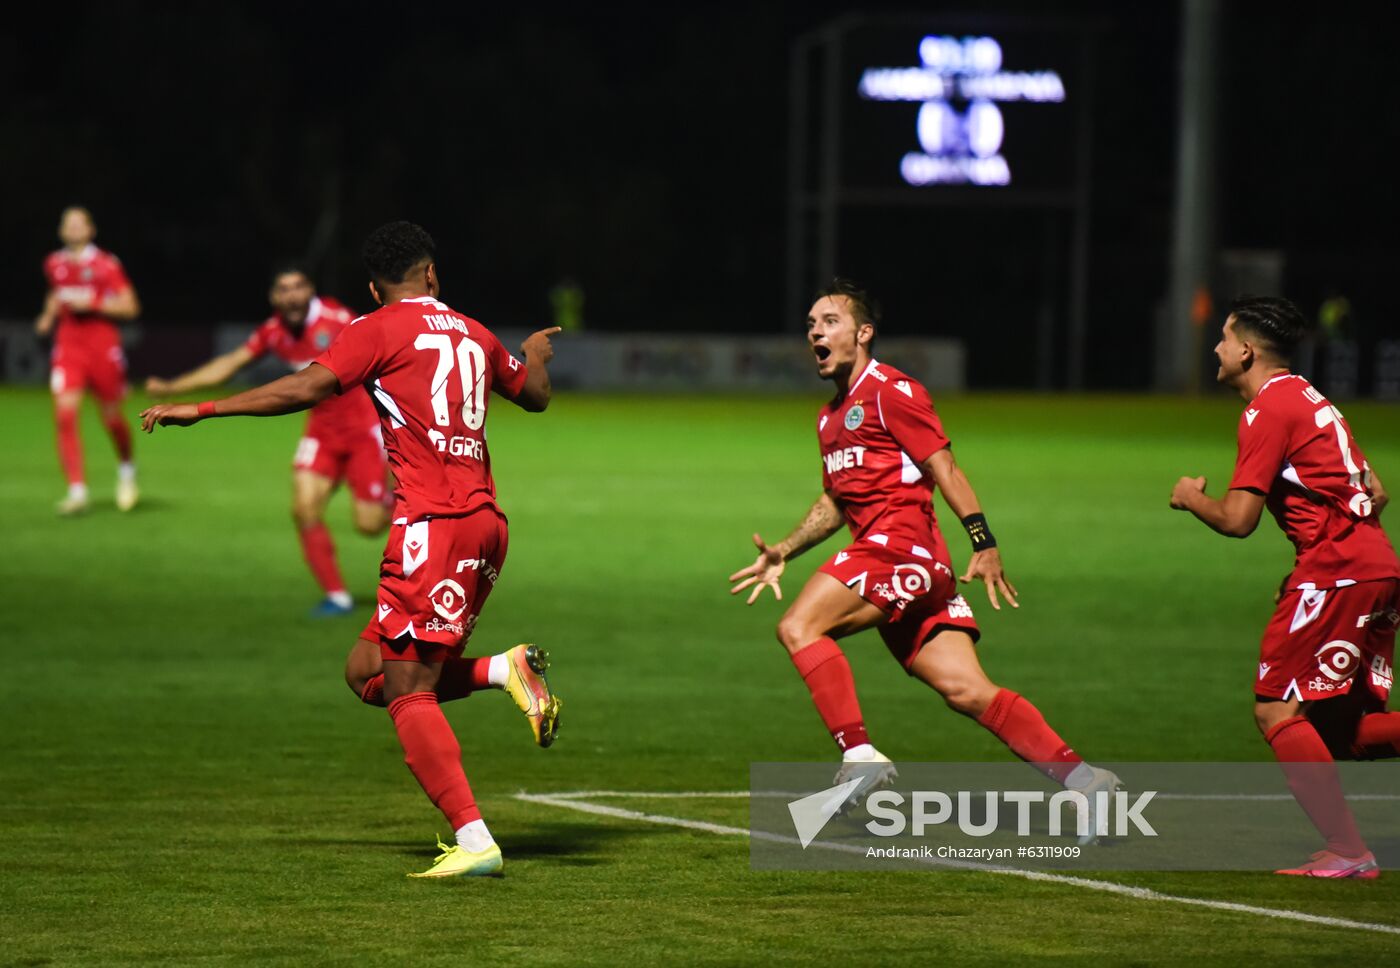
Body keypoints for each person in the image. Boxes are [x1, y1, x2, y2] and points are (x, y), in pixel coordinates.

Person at [140, 221, 564, 878]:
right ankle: (501, 672)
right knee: (366, 671)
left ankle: (475, 840)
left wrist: (206, 411)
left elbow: (305, 388)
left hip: (434, 523)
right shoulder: (474, 331)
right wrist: (533, 352)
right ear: (433, 275)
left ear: (373, 286)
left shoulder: (375, 327)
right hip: (484, 525)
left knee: (406, 688)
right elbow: (534, 396)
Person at [729, 279, 1118, 839]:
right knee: (968, 691)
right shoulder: (829, 417)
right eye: (811, 322)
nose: (815, 330)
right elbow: (838, 501)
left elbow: (946, 469)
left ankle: (860, 757)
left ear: (864, 333)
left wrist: (983, 542)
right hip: (899, 565)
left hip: (900, 552)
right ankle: (1086, 782)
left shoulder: (892, 391)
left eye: (829, 320)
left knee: (799, 626)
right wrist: (784, 550)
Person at [1171, 295, 1399, 879]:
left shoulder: (1267, 409)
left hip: (1340, 570)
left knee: (1276, 710)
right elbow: (1375, 489)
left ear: (1246, 350)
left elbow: (1238, 520)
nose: (1216, 349)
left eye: (1223, 338)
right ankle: (1345, 848)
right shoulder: (1310, 397)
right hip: (1371, 566)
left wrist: (1190, 497)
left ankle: (1350, 851)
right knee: (1335, 729)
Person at [147, 267, 390, 616]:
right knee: (304, 508)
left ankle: (397, 496)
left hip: (363, 428)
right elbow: (230, 363)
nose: (291, 295)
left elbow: (380, 358)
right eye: (283, 289)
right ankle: (337, 597)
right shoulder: (274, 331)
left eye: (298, 287)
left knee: (368, 526)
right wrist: (174, 388)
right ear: (273, 296)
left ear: (311, 290)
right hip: (321, 430)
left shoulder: (338, 319)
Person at [35, 206, 142, 515]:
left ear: (91, 230)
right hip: (68, 347)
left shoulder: (106, 265)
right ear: (61, 231)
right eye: (68, 223)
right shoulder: (53, 263)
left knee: (111, 418)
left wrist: (93, 303)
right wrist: (47, 316)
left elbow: (131, 307)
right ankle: (77, 491)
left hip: (102, 346)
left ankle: (126, 471)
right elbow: (55, 295)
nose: (73, 228)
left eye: (79, 223)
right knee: (64, 415)